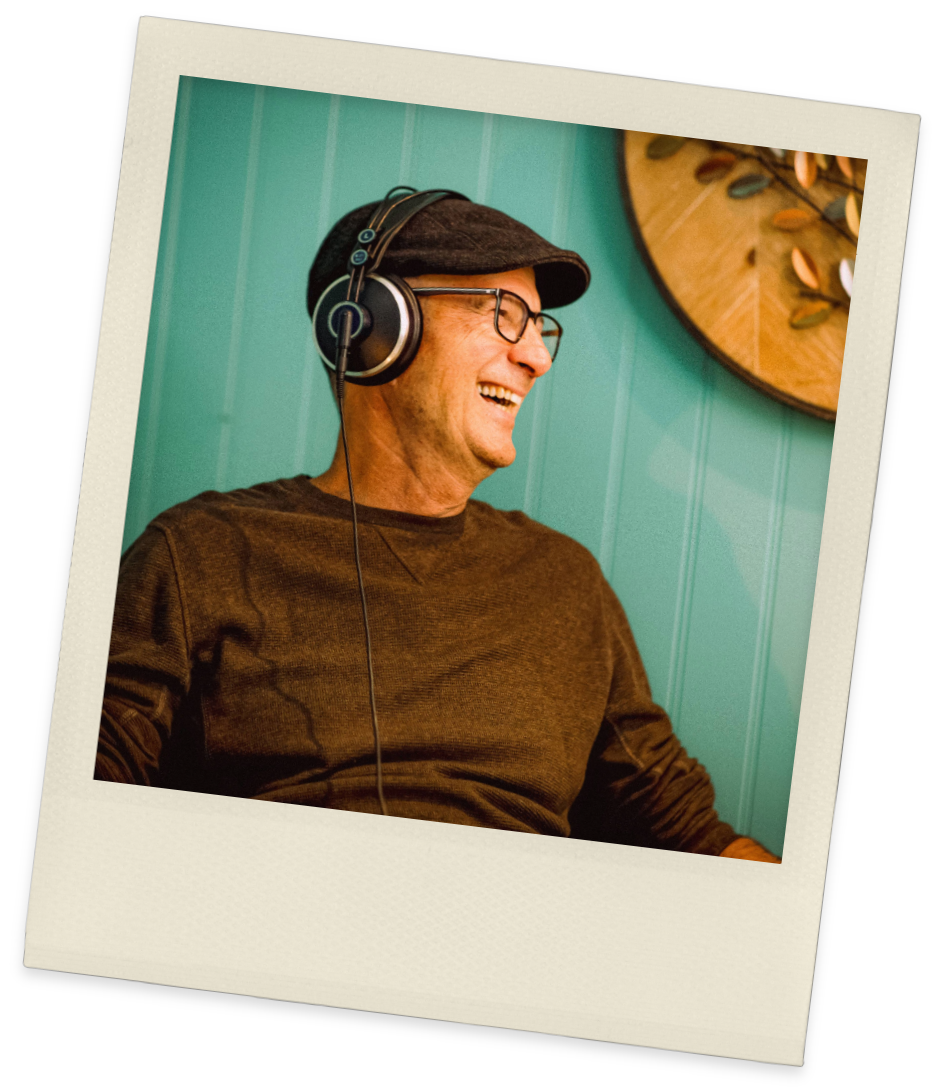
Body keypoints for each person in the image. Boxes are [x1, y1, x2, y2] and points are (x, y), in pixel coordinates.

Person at [96, 190, 780, 864]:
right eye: (503, 314)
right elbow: (87, 792)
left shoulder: (563, 580)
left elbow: (682, 826)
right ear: (368, 325)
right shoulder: (200, 553)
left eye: (540, 329)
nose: (536, 359)